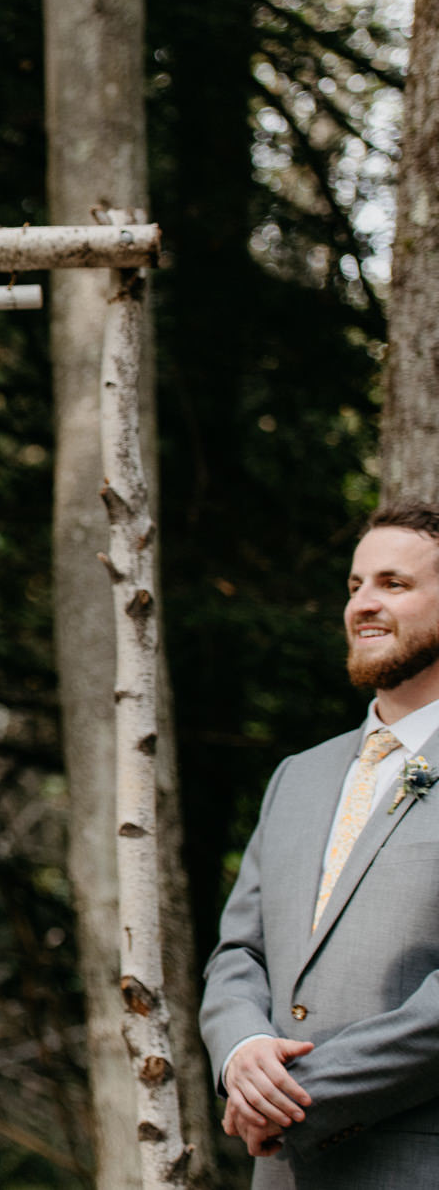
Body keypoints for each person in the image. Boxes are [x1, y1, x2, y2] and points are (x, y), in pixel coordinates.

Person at [201, 499, 439, 1188]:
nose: (363, 603)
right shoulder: (298, 777)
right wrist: (242, 1049)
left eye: (393, 584)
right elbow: (240, 951)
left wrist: (292, 1093)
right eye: (355, 585)